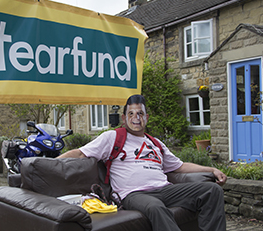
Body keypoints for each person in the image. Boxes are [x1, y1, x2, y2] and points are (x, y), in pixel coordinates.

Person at [58, 94, 227, 231]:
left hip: (165, 189)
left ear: (146, 117)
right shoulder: (114, 137)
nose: (136, 118)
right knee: (155, 207)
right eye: (131, 114)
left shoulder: (156, 143)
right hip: (134, 194)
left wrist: (211, 169)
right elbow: (80, 153)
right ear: (124, 118)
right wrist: (50, 161)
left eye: (140, 113)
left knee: (212, 190)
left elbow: (180, 166)